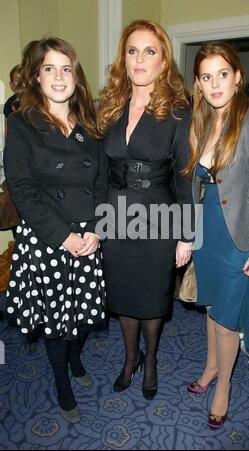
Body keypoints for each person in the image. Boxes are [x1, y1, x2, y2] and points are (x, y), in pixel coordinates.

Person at [4, 38, 107, 423]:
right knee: (55, 319)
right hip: (48, 237)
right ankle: (62, 382)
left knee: (81, 311)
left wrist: (97, 229)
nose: (59, 76)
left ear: (76, 78)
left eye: (66, 68)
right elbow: (23, 192)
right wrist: (64, 236)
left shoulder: (90, 123)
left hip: (89, 234)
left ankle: (76, 357)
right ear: (36, 76)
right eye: (50, 68)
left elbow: (101, 184)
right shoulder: (21, 125)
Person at [184, 42, 249, 429]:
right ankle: (211, 366)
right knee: (211, 307)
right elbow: (195, 183)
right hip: (207, 232)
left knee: (227, 319)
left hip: (240, 235)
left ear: (238, 76)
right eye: (206, 77)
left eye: (222, 74)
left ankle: (223, 385)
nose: (215, 84)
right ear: (198, 83)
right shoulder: (201, 121)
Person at [96, 20, 193, 400]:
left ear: (163, 60)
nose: (140, 59)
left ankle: (150, 361)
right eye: (132, 50)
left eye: (149, 51)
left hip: (158, 216)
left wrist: (187, 234)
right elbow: (100, 170)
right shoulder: (109, 106)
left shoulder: (179, 110)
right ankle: (128, 358)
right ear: (124, 57)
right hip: (115, 214)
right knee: (121, 295)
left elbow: (185, 177)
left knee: (153, 297)